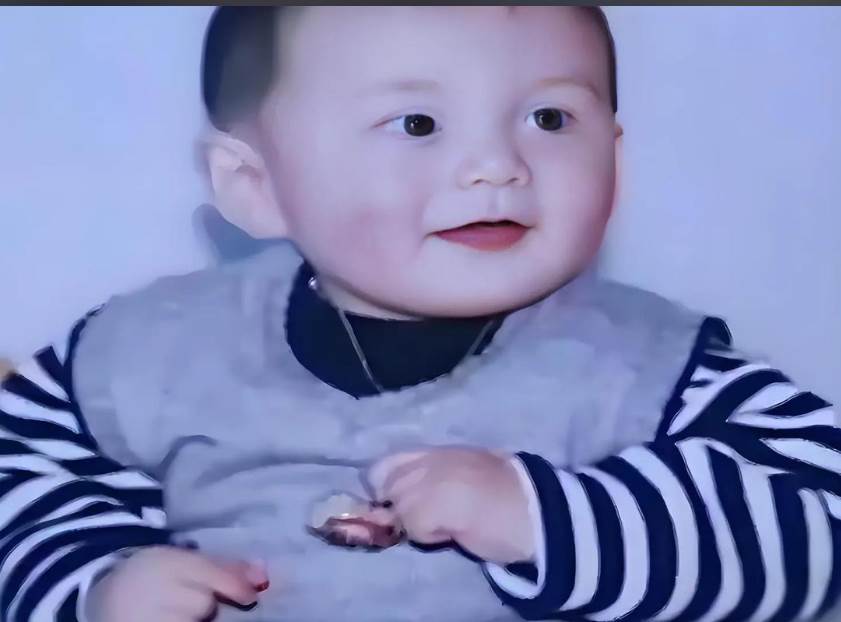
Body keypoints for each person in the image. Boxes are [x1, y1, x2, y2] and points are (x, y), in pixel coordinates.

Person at [2, 6, 839, 622]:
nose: (496, 165)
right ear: (254, 185)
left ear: (613, 156)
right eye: (417, 123)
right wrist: (95, 587)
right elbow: (22, 476)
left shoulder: (647, 364)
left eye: (549, 118)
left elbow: (817, 521)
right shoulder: (148, 351)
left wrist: (543, 519)